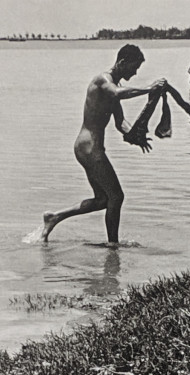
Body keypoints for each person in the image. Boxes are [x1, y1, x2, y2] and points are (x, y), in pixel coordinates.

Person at [40, 44, 165, 245]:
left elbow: (120, 123)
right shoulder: (103, 81)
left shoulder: (113, 86)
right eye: (133, 68)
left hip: (90, 148)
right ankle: (113, 245)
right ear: (122, 62)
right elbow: (117, 93)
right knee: (117, 196)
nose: (134, 73)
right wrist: (149, 88)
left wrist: (135, 135)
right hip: (89, 147)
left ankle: (54, 217)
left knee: (102, 200)